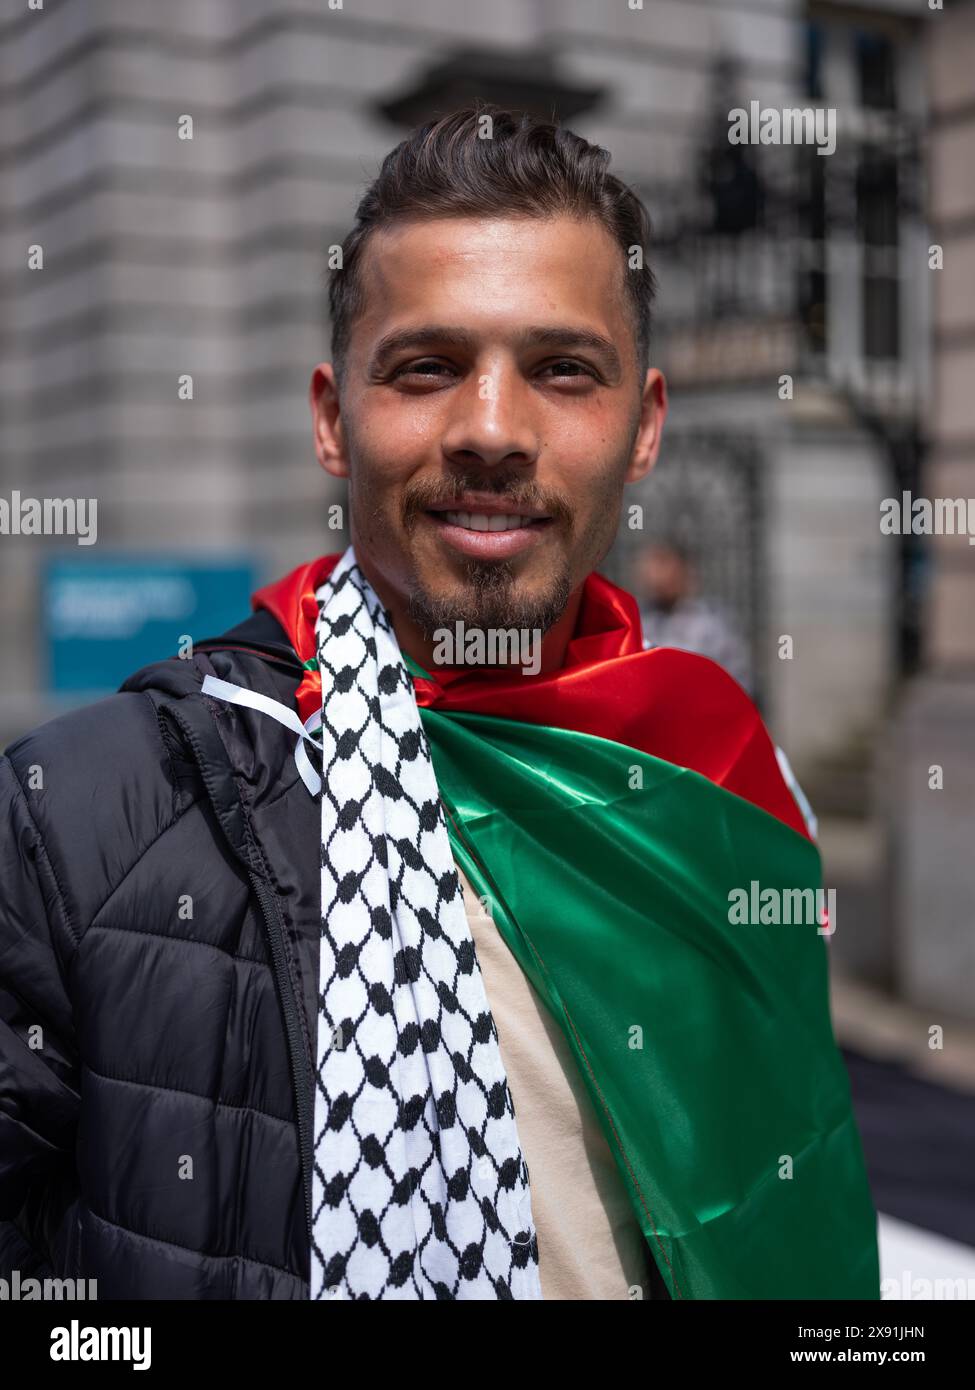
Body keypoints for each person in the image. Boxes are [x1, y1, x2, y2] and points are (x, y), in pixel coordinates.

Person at [0, 105, 879, 1301]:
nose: (491, 431)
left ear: (645, 427)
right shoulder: (82, 820)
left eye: (563, 370)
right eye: (427, 368)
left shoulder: (725, 776)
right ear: (331, 417)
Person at [634, 541, 754, 693]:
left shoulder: (711, 623)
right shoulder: (639, 621)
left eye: (662, 563)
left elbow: (738, 676)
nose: (653, 574)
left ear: (683, 570)